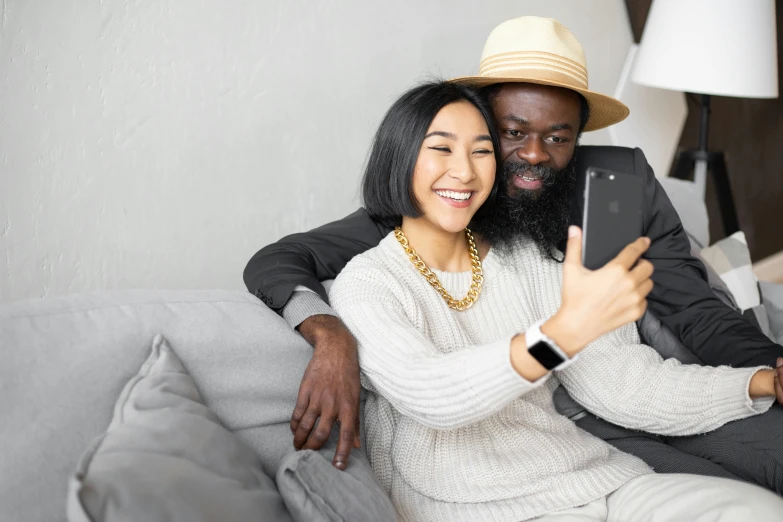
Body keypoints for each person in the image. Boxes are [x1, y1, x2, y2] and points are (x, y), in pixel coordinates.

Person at [245, 16, 783, 489]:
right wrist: (331, 335)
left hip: (657, 379)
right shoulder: (445, 199)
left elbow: (694, 308)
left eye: (558, 137)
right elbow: (279, 260)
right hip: (560, 426)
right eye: (511, 132)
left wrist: (770, 368)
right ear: (483, 121)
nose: (533, 153)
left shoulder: (618, 181)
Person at [335, 77, 783, 521]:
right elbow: (433, 395)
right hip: (483, 507)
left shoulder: (529, 258)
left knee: (758, 510)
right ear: (399, 158)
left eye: (481, 150)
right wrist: (559, 335)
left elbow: (624, 385)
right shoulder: (368, 284)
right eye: (441, 148)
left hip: (597, 481)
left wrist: (762, 381)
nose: (465, 171)